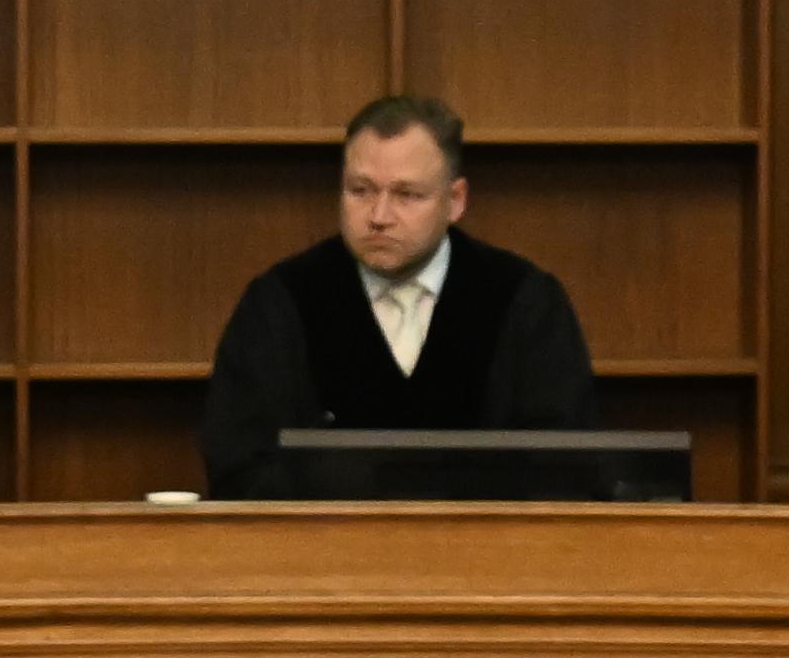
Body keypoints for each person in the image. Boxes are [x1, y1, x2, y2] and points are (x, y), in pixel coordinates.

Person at [196, 95, 600, 497]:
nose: (379, 216)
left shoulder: (523, 300)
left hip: (484, 553)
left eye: (406, 195)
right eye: (361, 190)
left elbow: (564, 467)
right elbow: (238, 466)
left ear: (455, 201)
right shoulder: (281, 301)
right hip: (322, 554)